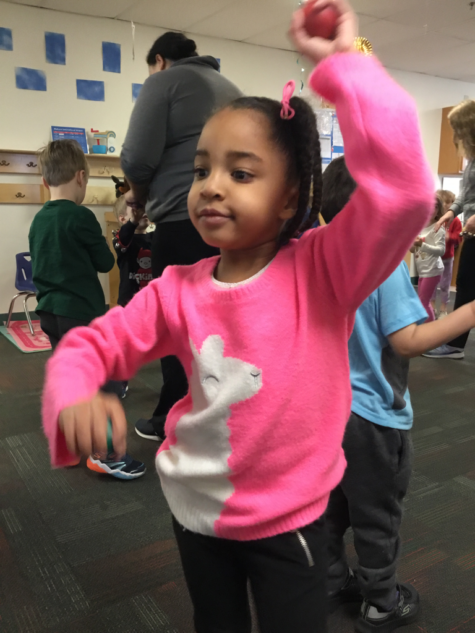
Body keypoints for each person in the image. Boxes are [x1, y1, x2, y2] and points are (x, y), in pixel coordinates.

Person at [40, 1, 435, 630]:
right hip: (197, 512)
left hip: (291, 518)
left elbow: (404, 192)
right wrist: (74, 389)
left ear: (290, 196)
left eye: (241, 172)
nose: (211, 185)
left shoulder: (326, 270)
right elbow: (96, 343)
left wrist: (345, 68)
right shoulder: (177, 289)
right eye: (201, 169)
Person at [321, 157, 475, 633]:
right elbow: (408, 340)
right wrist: (470, 311)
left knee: (330, 506)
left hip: (325, 411)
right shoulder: (384, 267)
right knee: (378, 514)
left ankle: (330, 579)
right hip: (372, 419)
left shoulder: (319, 255)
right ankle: (381, 602)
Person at [121, 31, 242, 443]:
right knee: (224, 324)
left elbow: (137, 159)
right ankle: (226, 413)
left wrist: (138, 199)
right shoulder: (232, 90)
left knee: (177, 324)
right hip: (235, 228)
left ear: (158, 60)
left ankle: (173, 416)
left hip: (182, 221)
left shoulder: (163, 82)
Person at [29, 140, 146, 480]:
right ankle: (106, 454)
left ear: (45, 181)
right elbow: (106, 261)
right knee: (100, 384)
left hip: (49, 313)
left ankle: (67, 447)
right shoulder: (81, 216)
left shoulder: (38, 220)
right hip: (80, 315)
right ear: (81, 177)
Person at [425, 100, 475, 359]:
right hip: (473, 234)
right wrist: (450, 212)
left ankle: (454, 344)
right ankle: (455, 344)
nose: (455, 135)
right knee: (466, 284)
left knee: (466, 285)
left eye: (458, 129)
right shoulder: (472, 160)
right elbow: (465, 195)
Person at [112, 195, 152, 308]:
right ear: (123, 219)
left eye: (144, 206)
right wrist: (134, 221)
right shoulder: (120, 238)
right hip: (129, 301)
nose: (142, 211)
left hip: (151, 299)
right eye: (136, 208)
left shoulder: (154, 237)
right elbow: (124, 237)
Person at [410, 196, 445, 322]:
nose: (432, 209)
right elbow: (413, 250)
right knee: (423, 301)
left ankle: (429, 327)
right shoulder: (420, 226)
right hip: (423, 269)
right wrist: (412, 245)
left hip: (433, 270)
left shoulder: (438, 228)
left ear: (438, 210)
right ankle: (428, 324)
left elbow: (441, 250)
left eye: (436, 206)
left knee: (423, 302)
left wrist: (422, 245)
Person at [430, 190, 461, 319]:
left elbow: (458, 237)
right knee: (431, 283)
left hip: (447, 258)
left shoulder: (455, 221)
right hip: (433, 257)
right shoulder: (434, 219)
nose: (448, 206)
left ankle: (443, 308)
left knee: (445, 284)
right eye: (446, 203)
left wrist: (449, 236)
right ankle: (431, 307)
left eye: (450, 203)